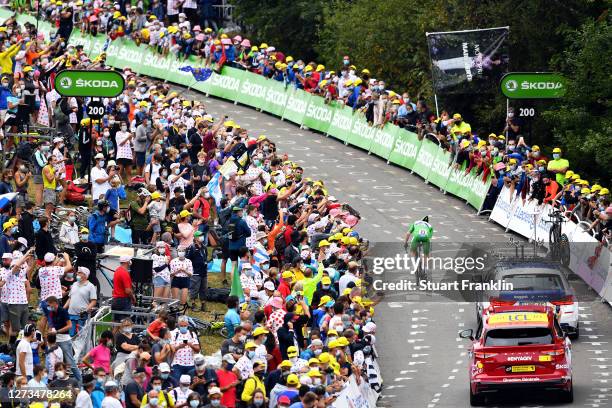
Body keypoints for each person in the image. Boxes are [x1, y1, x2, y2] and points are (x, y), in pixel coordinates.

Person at [46, 295, 82, 384]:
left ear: (55, 303)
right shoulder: (51, 313)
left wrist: (57, 331)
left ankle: (80, 382)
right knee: (57, 362)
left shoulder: (63, 312)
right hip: (56, 339)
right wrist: (50, 331)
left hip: (64, 339)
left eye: (50, 304)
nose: (49, 307)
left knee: (70, 363)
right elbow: (51, 324)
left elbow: (69, 326)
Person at [65, 266, 97, 336]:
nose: (77, 274)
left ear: (85, 275)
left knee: (81, 335)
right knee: (70, 335)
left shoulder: (90, 286)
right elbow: (70, 298)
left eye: (80, 273)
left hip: (82, 316)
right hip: (71, 314)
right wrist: (63, 308)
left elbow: (93, 301)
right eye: (78, 272)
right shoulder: (74, 284)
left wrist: (86, 310)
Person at [170, 316, 200, 381]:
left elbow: (198, 349)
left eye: (185, 325)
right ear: (178, 325)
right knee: (176, 382)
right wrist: (179, 346)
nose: (183, 327)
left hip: (190, 364)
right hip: (177, 364)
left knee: (191, 383)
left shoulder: (192, 334)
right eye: (181, 325)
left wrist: (190, 345)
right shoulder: (174, 334)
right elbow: (172, 349)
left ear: (187, 325)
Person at [187, 230, 208, 311]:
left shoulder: (204, 247)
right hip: (195, 272)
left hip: (203, 272)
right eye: (199, 236)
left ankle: (203, 304)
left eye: (202, 235)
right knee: (194, 289)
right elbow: (188, 259)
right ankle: (193, 304)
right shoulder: (191, 247)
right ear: (195, 238)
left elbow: (205, 257)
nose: (201, 237)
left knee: (204, 288)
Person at [111, 255, 135, 323]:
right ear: (127, 262)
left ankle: (114, 334)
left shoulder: (117, 270)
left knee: (116, 323)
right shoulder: (124, 273)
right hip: (123, 300)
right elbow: (128, 291)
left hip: (116, 300)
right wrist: (133, 298)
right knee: (124, 323)